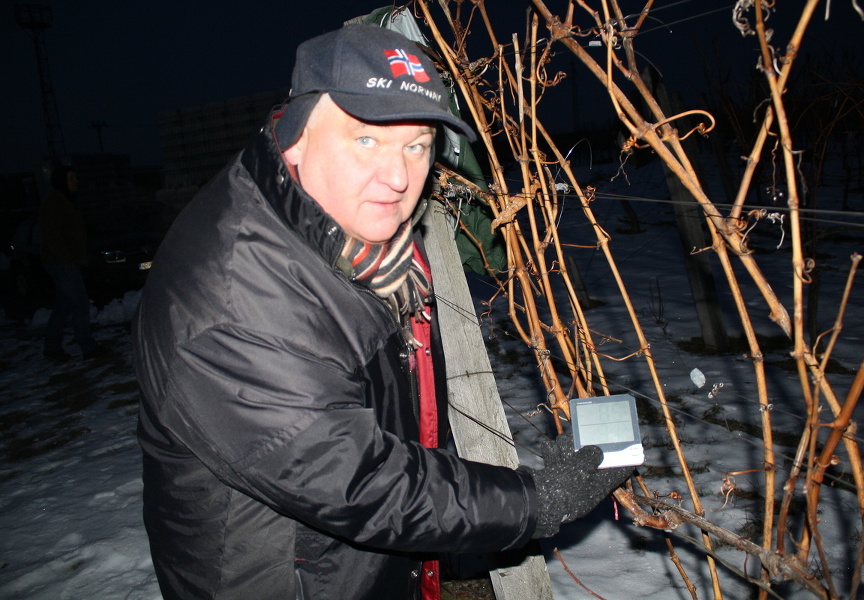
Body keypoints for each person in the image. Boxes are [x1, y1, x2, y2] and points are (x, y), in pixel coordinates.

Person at [133, 24, 632, 600]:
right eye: (367, 140)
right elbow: (360, 482)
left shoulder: (357, 240)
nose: (398, 178)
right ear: (295, 138)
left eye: (416, 145)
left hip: (352, 567)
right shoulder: (232, 303)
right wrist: (535, 501)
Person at [39, 164, 106, 361]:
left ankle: (51, 348)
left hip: (66, 262)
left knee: (65, 306)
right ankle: (88, 347)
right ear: (62, 181)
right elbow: (53, 237)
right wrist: (67, 260)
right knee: (79, 304)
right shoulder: (54, 203)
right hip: (62, 263)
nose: (76, 182)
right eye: (71, 178)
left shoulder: (67, 201)